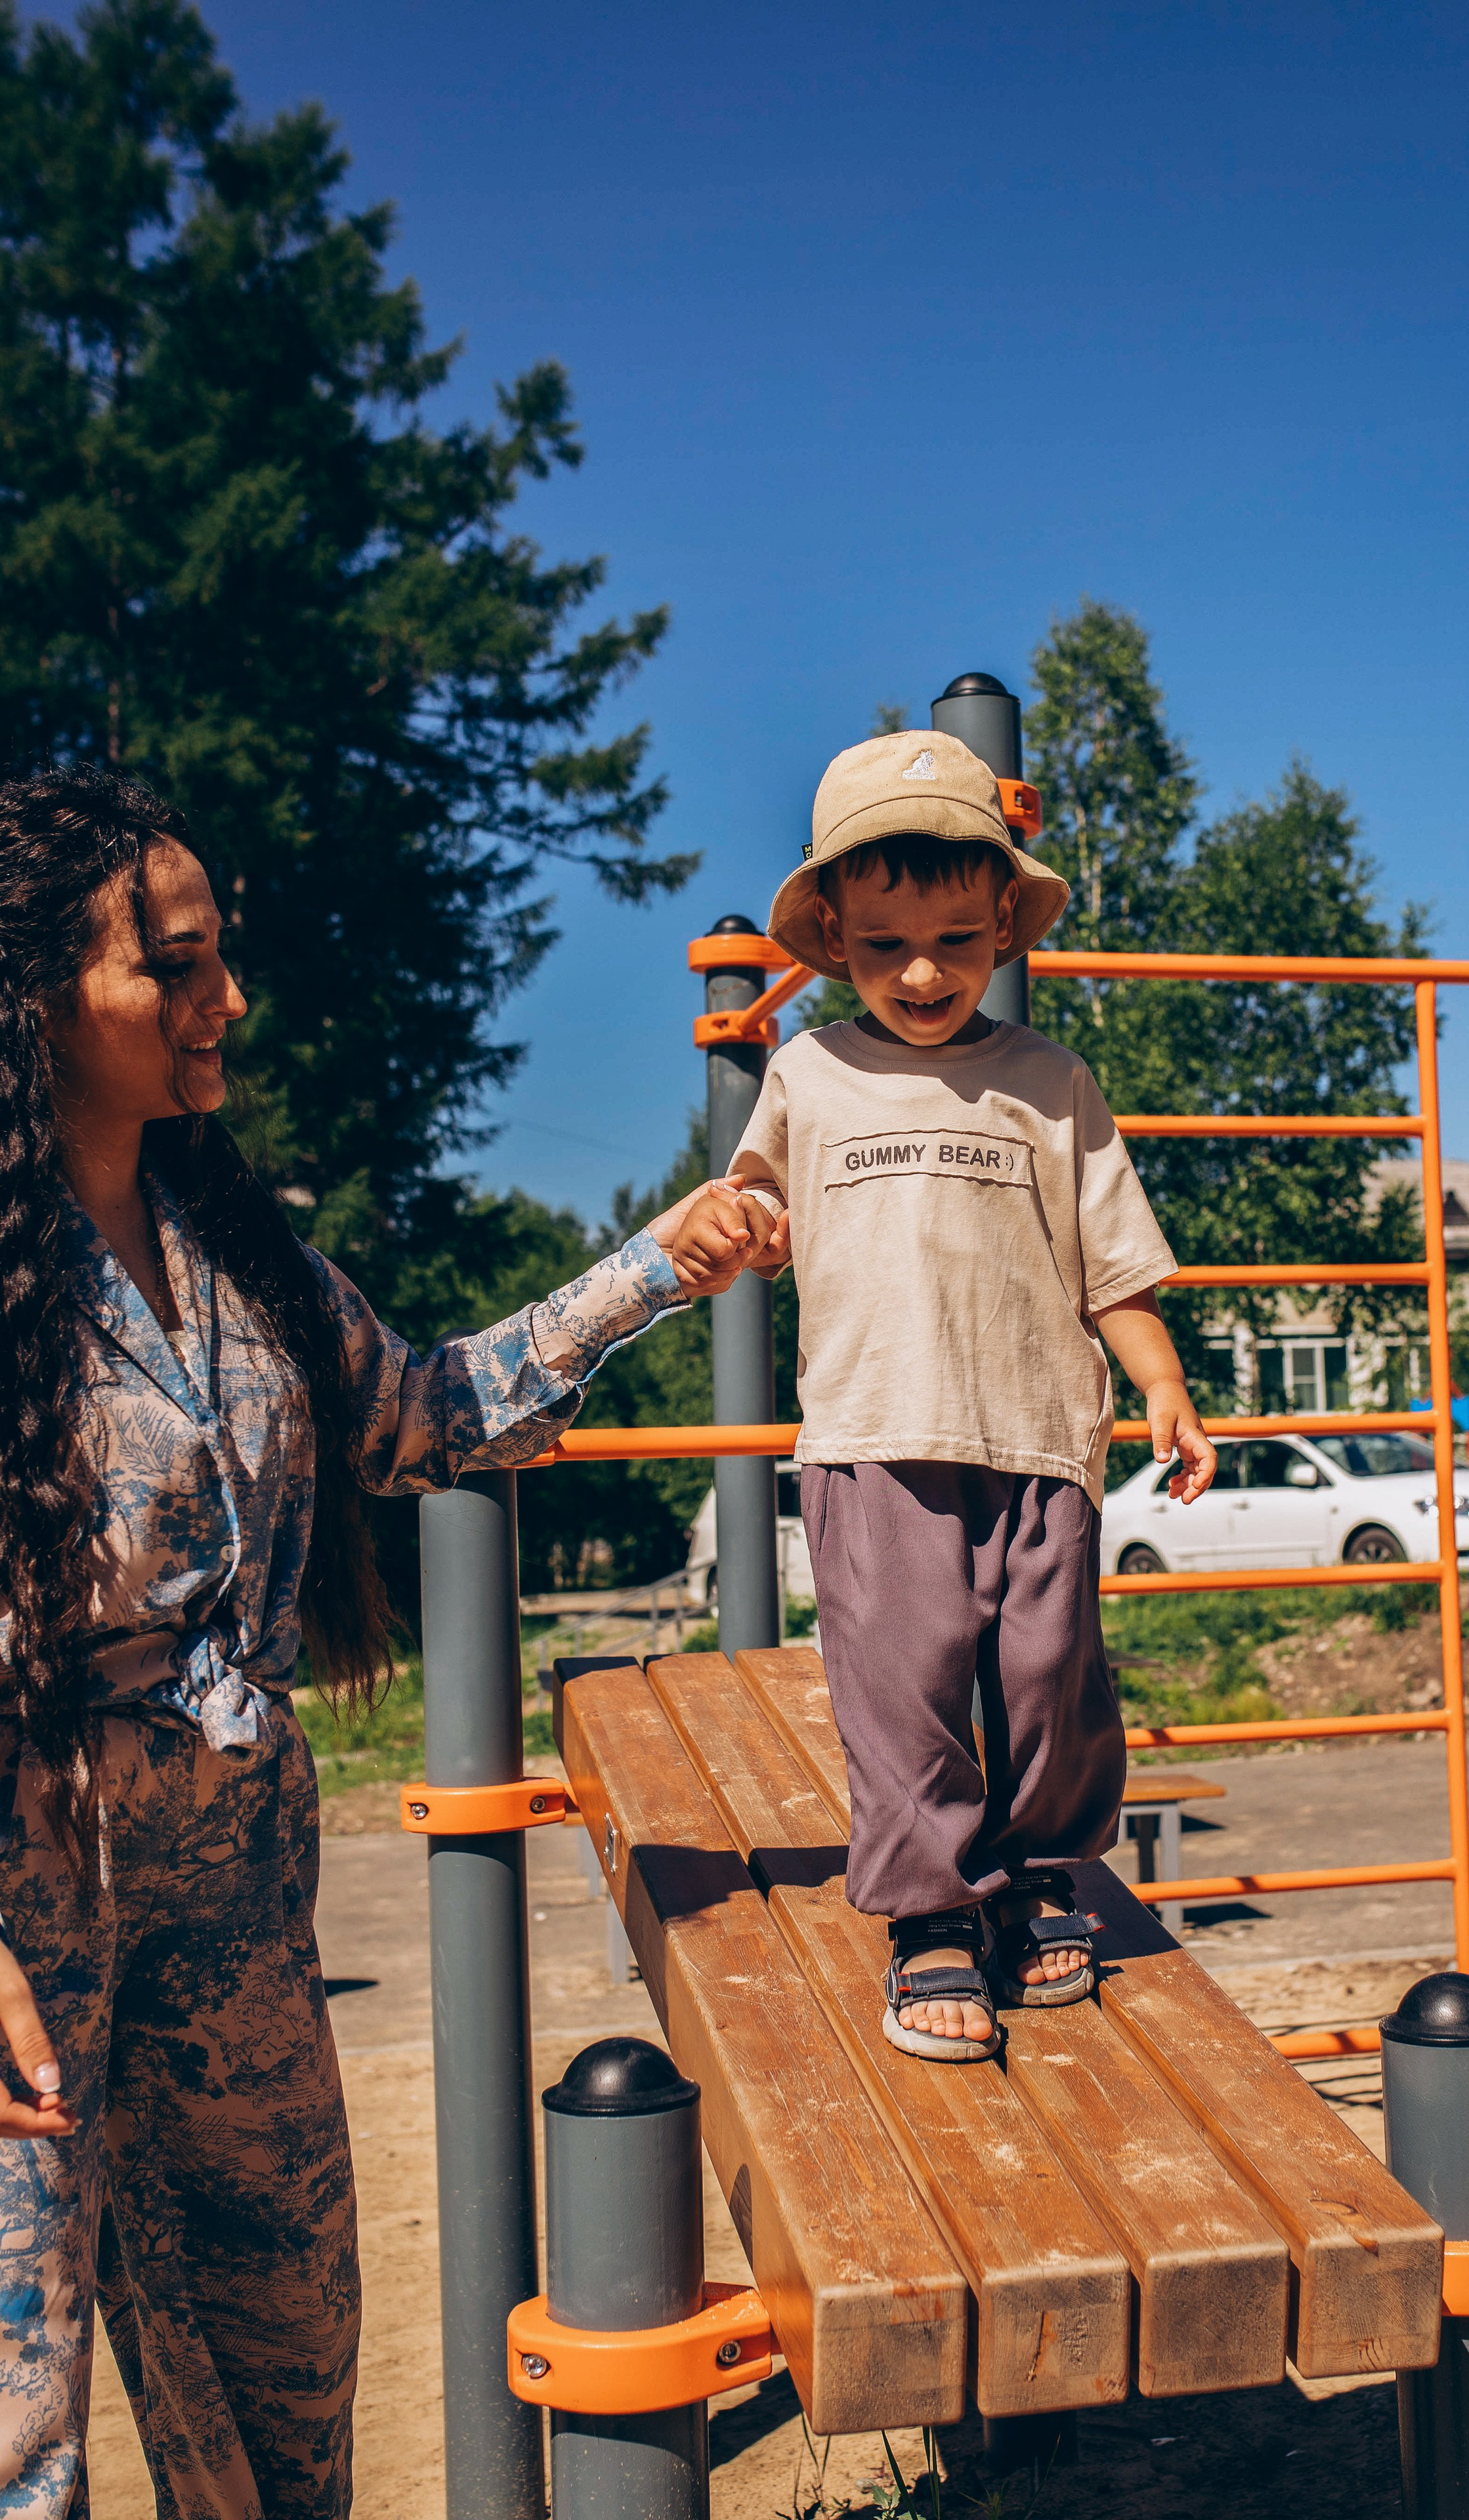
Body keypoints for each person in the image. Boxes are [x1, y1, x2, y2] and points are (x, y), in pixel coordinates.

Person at [0, 767, 747, 2519]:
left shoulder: (237, 1255)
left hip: (240, 1930)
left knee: (285, 2390)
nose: (224, 1000)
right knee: (21, 2448)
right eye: (171, 968)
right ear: (38, 1001)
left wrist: (662, 1264)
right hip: (23, 1947)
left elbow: (429, 1409)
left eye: (219, 957)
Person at [675, 730, 1217, 2063]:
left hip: (1039, 1431)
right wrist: (727, 1218)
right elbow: (757, 1201)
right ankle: (929, 1914)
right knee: (903, 1682)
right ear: (836, 943)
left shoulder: (1047, 1083)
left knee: (1048, 1674)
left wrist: (1163, 1392)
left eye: (956, 941)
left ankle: (1038, 1878)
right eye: (879, 948)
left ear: (998, 931)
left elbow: (1113, 1267)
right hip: (873, 1434)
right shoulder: (808, 1073)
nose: (920, 974)